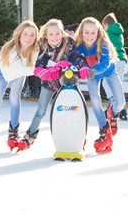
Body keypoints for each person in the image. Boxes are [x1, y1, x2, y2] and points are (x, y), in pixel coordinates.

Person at [17, 18, 91, 152]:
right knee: (41, 111)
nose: (54, 37)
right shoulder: (42, 46)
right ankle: (30, 135)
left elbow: (77, 57)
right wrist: (42, 72)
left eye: (57, 33)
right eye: (51, 34)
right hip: (49, 85)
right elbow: (39, 63)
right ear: (45, 35)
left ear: (62, 33)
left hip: (68, 84)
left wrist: (82, 67)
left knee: (76, 111)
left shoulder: (68, 43)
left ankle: (81, 138)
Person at [0, 20, 40, 151]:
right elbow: (25, 69)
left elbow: (34, 66)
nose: (29, 38)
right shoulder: (11, 49)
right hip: (3, 71)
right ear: (19, 34)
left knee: (15, 98)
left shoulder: (35, 50)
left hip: (20, 72)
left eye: (32, 35)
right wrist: (39, 71)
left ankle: (13, 131)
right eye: (25, 34)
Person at [74, 17, 126, 153]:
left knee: (120, 103)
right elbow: (75, 61)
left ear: (98, 33)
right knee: (95, 101)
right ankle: (104, 130)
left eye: (93, 32)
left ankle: (112, 114)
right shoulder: (79, 47)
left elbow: (106, 63)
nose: (90, 36)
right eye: (87, 32)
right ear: (81, 32)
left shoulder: (102, 44)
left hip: (109, 72)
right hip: (93, 77)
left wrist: (93, 70)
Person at [101, 13, 128, 121]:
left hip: (114, 59)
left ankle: (112, 102)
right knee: (118, 84)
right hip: (122, 59)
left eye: (104, 26)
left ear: (106, 24)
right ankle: (123, 109)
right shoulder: (119, 33)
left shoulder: (107, 33)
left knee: (106, 82)